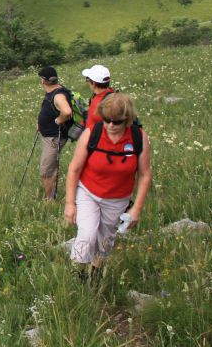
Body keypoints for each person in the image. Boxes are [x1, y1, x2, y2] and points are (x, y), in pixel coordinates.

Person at [64, 93, 151, 282]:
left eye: (117, 121)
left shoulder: (138, 138)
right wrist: (70, 203)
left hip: (117, 199)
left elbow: (144, 175)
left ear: (127, 120)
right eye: (106, 120)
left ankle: (95, 275)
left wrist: (136, 209)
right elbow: (74, 169)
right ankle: (77, 276)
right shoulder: (92, 134)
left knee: (105, 240)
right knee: (87, 235)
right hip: (88, 193)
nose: (111, 125)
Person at [37, 66, 73, 200]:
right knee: (49, 168)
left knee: (46, 171)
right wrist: (40, 123)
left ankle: (50, 200)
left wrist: (59, 120)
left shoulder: (58, 95)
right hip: (49, 135)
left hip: (54, 138)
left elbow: (67, 112)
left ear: (43, 80)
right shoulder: (57, 90)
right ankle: (51, 196)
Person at [82, 64, 114, 130]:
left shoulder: (104, 102)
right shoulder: (110, 94)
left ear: (93, 83)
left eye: (88, 79)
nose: (87, 82)